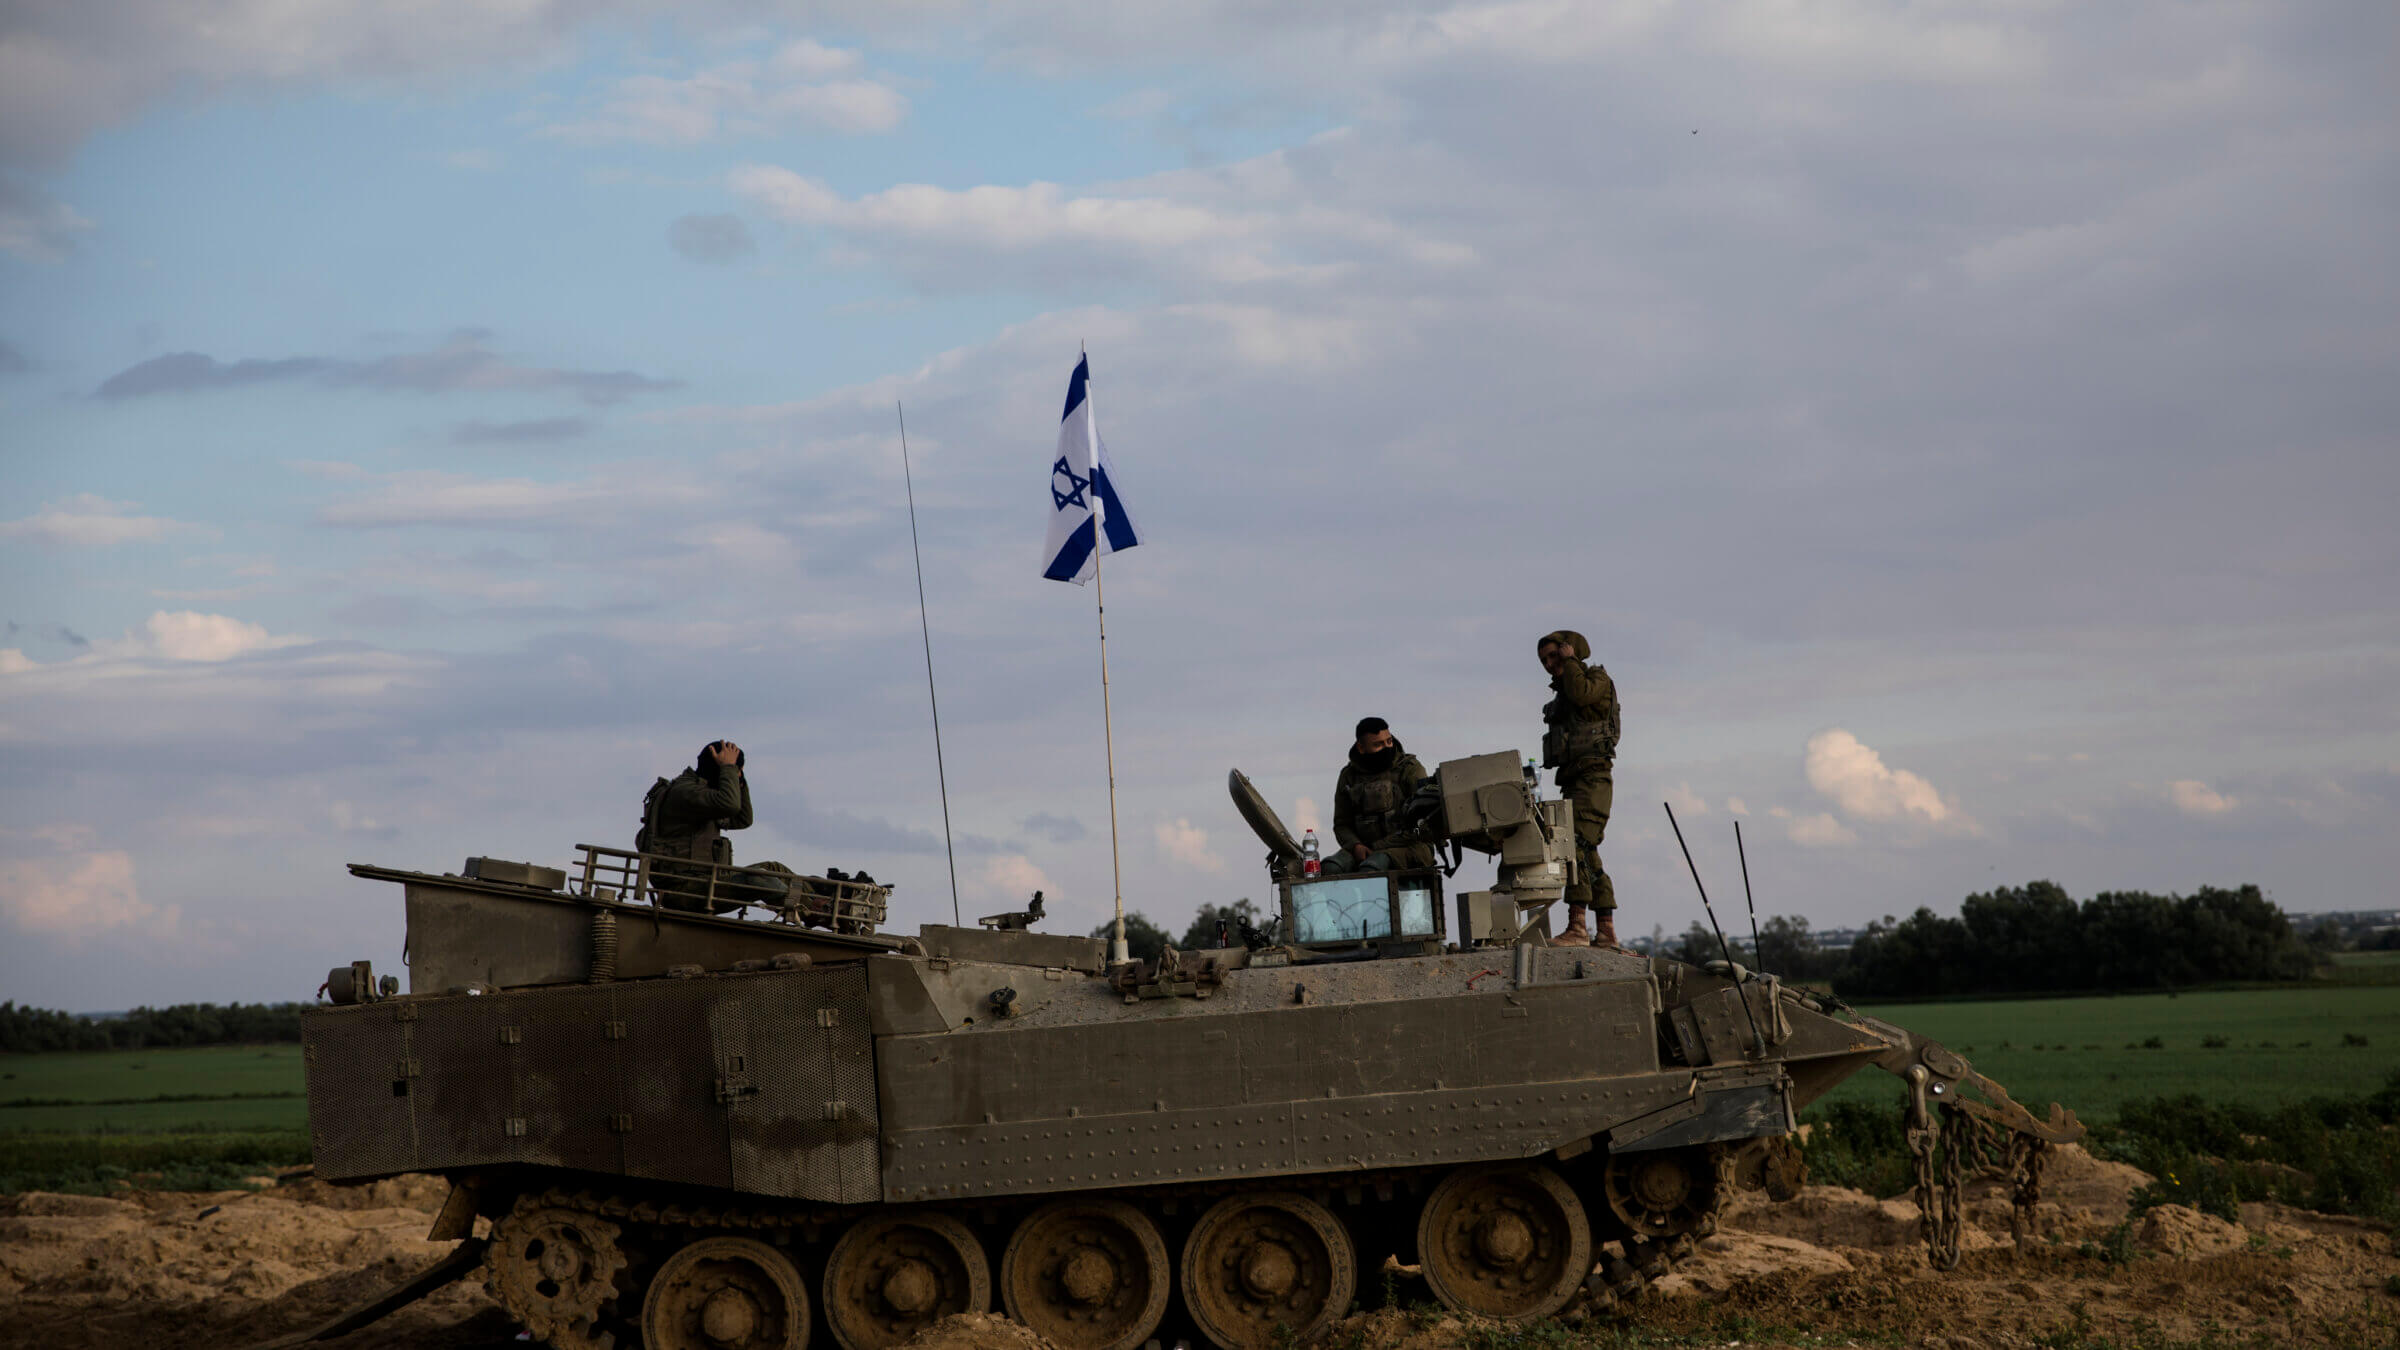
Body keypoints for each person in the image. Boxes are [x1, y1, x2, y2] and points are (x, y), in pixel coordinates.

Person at [638, 740, 793, 913]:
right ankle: (809, 910)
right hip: (682, 890)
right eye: (733, 772)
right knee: (757, 877)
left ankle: (820, 900)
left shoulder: (703, 794)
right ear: (719, 771)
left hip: (705, 882)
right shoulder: (687, 792)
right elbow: (730, 805)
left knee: (775, 870)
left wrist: (738, 778)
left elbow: (742, 819)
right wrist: (729, 768)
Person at [1537, 631, 1620, 947]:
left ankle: (1577, 928)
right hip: (1574, 780)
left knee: (1574, 847)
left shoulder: (1595, 678)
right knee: (1588, 854)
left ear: (1570, 650)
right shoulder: (1564, 695)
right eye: (1544, 660)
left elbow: (1583, 695)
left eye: (1554, 656)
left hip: (1593, 779)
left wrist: (1571, 661)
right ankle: (1606, 931)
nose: (1549, 664)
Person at [1321, 717, 1436, 875]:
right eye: (1378, 745)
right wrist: (1355, 846)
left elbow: (1423, 824)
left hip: (1411, 846)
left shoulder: (1410, 769)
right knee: (1330, 867)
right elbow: (1342, 823)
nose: (1386, 747)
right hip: (1362, 848)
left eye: (1388, 741)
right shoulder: (1349, 776)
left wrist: (1377, 847)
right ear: (1361, 748)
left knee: (1373, 867)